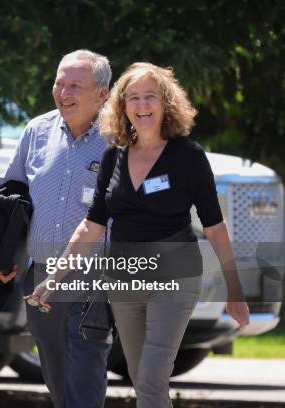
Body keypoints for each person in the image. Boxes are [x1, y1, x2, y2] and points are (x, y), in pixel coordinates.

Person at [32, 62, 250, 408]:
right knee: (142, 377)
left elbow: (214, 226)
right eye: (132, 97)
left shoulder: (188, 156)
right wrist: (54, 278)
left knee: (150, 375)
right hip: (124, 281)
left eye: (150, 96)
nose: (141, 105)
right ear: (122, 106)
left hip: (175, 276)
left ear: (166, 103)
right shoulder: (112, 157)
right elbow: (92, 225)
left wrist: (235, 290)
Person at [0, 50, 112, 408]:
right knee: (56, 372)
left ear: (102, 94)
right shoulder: (37, 131)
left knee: (86, 365)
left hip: (96, 275)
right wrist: (3, 249)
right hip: (41, 274)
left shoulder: (120, 138)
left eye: (75, 85)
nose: (64, 92)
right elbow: (10, 193)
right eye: (60, 82)